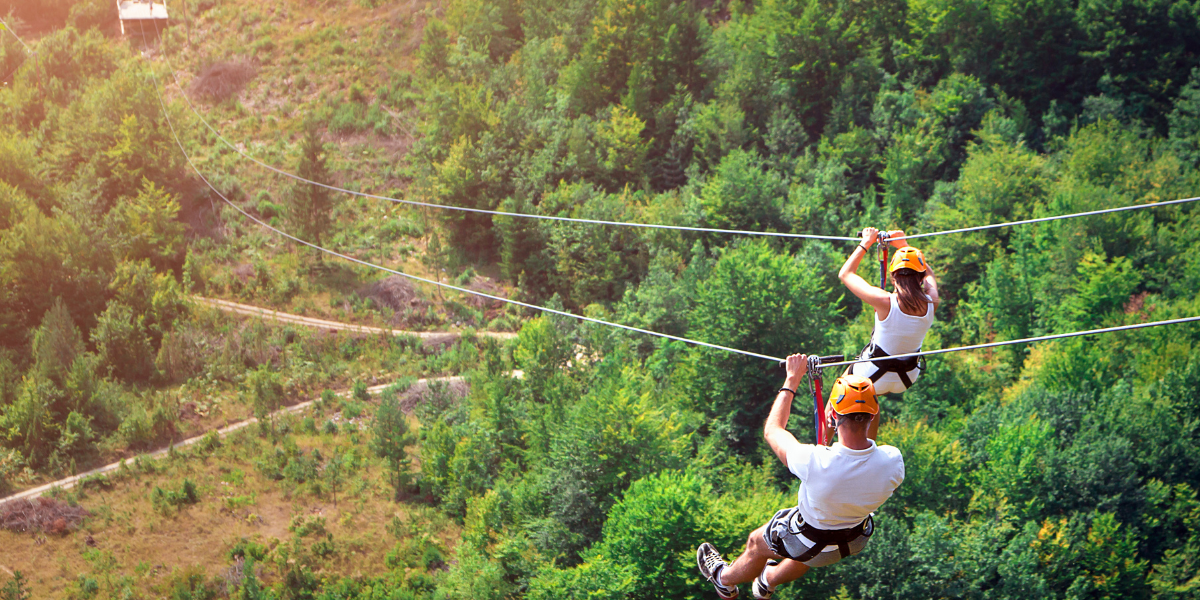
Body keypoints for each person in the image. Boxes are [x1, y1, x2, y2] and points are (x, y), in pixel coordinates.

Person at [696, 354, 904, 599]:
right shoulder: (892, 462)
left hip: (808, 541)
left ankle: (723, 580)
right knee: (814, 546)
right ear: (873, 413)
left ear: (833, 416)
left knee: (758, 542)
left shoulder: (813, 461)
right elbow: (869, 445)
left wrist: (791, 379)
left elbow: (773, 430)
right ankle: (767, 582)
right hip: (853, 539)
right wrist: (858, 378)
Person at [837, 227, 939, 436]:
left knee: (841, 390)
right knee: (869, 397)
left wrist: (866, 242)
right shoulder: (932, 302)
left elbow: (845, 274)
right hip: (907, 376)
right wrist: (903, 244)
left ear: (893, 277)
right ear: (920, 278)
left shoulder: (884, 302)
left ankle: (823, 444)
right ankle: (870, 447)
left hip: (873, 375)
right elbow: (929, 274)